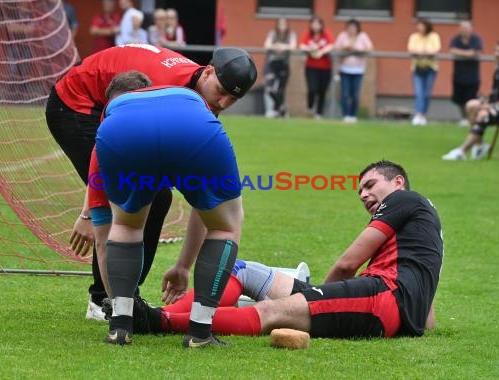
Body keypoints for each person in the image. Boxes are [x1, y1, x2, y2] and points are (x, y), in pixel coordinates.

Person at [45, 45, 257, 321]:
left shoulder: (196, 101)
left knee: (157, 197)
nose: (224, 103)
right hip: (76, 104)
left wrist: (183, 265)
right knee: (127, 201)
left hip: (115, 107)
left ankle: (127, 299)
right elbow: (107, 143)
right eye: (222, 90)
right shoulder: (159, 91)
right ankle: (105, 302)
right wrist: (89, 211)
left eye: (233, 98)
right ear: (207, 72)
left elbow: (206, 193)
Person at [133, 161, 443, 339]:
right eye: (360, 189)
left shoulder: (404, 200)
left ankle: (161, 322)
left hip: (382, 298)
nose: (363, 194)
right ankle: (157, 315)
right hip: (387, 303)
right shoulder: (427, 228)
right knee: (239, 269)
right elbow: (427, 312)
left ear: (398, 182)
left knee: (272, 312)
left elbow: (348, 264)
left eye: (371, 185)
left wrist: (313, 296)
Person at [95, 80, 247, 347]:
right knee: (225, 227)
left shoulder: (113, 113)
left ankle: (120, 327)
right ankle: (199, 332)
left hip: (121, 132)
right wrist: (183, 265)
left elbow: (97, 194)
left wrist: (89, 214)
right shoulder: (185, 95)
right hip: (192, 128)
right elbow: (203, 211)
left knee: (126, 225)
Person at [442, 39, 499, 161]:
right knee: (471, 105)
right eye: (496, 51)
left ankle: (462, 151)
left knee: (483, 114)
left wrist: (492, 106)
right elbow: (496, 94)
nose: (496, 54)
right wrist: (486, 101)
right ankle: (479, 145)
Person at [333, 19, 373, 123]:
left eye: (354, 27)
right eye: (349, 27)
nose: (351, 30)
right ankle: (346, 115)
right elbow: (336, 48)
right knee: (345, 93)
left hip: (358, 70)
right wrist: (345, 47)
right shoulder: (343, 36)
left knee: (355, 94)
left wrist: (355, 49)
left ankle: (353, 115)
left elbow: (369, 48)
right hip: (345, 69)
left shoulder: (363, 36)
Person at [299, 16, 334, 120]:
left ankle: (319, 113)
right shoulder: (308, 34)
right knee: (312, 89)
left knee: (322, 91)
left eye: (318, 23)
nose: (315, 26)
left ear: (321, 25)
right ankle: (310, 107)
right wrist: (311, 49)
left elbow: (331, 44)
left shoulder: (326, 34)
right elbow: (301, 45)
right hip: (311, 67)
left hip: (325, 67)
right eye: (313, 23)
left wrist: (321, 52)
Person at [407, 18, 441, 126]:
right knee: (419, 92)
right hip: (417, 67)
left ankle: (423, 115)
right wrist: (422, 52)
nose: (419, 28)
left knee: (427, 93)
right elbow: (411, 49)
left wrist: (424, 52)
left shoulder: (434, 36)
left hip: (430, 68)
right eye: (418, 26)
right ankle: (418, 114)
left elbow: (435, 50)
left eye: (421, 25)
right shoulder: (414, 36)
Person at [449, 21, 483, 127]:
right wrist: (467, 53)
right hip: (458, 75)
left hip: (472, 76)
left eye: (466, 28)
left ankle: (471, 118)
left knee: (472, 98)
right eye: (462, 28)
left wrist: (462, 53)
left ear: (471, 29)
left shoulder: (476, 39)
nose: (464, 30)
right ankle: (463, 117)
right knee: (459, 98)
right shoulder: (456, 39)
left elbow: (475, 52)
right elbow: (452, 50)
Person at [262, 17, 297, 118]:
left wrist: (281, 46)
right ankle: (274, 110)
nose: (282, 26)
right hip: (271, 64)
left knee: (280, 90)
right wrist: (275, 46)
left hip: (283, 64)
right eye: (280, 24)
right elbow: (267, 45)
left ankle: (278, 110)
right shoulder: (272, 33)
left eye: (284, 24)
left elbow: (293, 46)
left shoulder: (291, 34)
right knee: (269, 88)